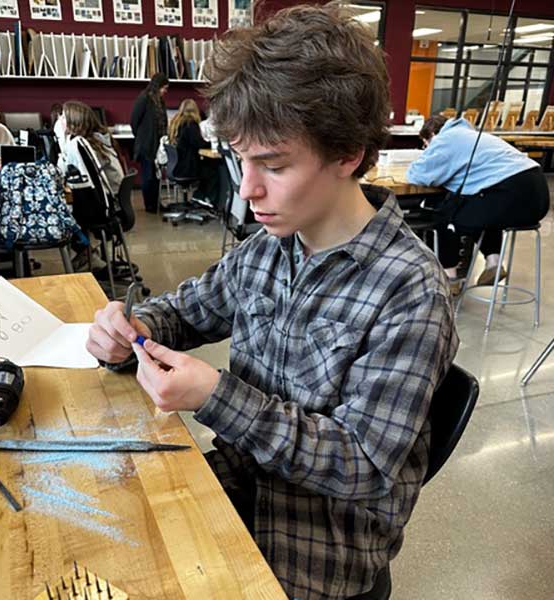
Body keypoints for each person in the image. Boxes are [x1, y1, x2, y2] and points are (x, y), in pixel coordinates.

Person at [86, 4, 459, 599]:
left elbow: (362, 465)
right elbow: (187, 310)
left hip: (316, 555)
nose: (249, 189)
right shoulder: (268, 246)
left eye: (274, 165)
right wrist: (129, 327)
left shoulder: (410, 290)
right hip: (238, 494)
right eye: (241, 160)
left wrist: (215, 397)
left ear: (348, 154)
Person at [407, 114, 550, 293]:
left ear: (433, 135)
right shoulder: (473, 136)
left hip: (511, 195)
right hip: (538, 196)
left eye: (426, 145)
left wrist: (425, 156)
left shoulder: (446, 139)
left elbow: (417, 174)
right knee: (476, 207)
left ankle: (449, 278)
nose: (427, 149)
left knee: (447, 213)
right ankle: (493, 262)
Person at [56, 100, 125, 195]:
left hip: (108, 195)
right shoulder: (97, 138)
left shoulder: (82, 145)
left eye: (63, 117)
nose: (59, 120)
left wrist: (62, 139)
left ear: (74, 123)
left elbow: (64, 172)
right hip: (114, 192)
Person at [168, 98, 220, 206]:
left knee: (207, 167)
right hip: (187, 168)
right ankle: (203, 198)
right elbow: (199, 143)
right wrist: (213, 143)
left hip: (177, 166)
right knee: (212, 170)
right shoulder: (190, 124)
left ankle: (198, 196)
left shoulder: (176, 123)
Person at [131, 73, 169, 212]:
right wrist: (142, 136)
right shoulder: (144, 99)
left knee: (156, 176)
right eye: (164, 88)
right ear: (158, 86)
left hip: (157, 144)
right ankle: (149, 205)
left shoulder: (160, 101)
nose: (165, 91)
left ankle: (156, 203)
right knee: (148, 176)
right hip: (146, 144)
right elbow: (134, 120)